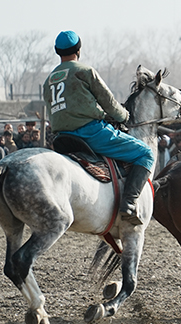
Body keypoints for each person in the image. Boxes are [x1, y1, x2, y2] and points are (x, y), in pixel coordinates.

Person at [43, 31, 154, 225]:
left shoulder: (49, 80)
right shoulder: (85, 71)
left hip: (61, 137)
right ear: (79, 49)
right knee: (146, 153)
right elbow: (109, 102)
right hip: (90, 132)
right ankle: (128, 204)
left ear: (56, 51)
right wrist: (124, 116)